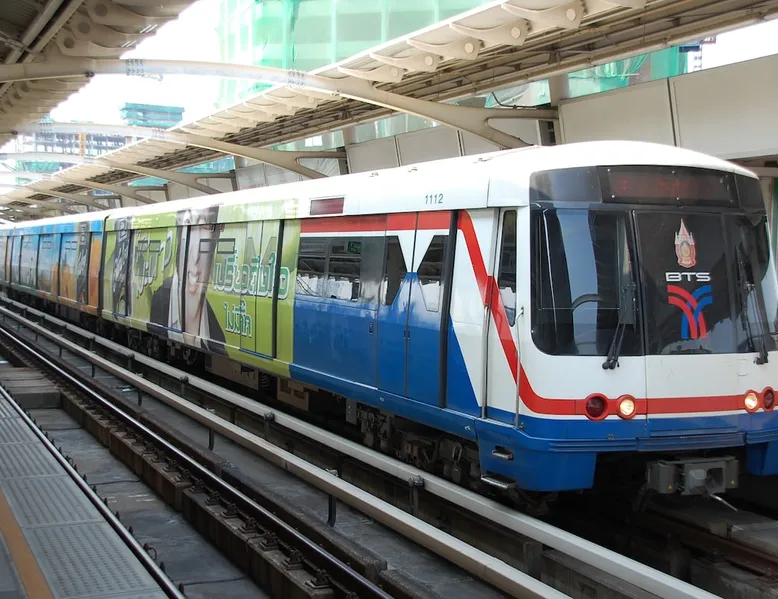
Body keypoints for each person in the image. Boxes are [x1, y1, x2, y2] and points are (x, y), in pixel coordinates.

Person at [149, 204, 226, 354]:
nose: (195, 257)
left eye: (205, 226)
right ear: (178, 242)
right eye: (189, 224)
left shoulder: (218, 334)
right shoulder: (158, 302)